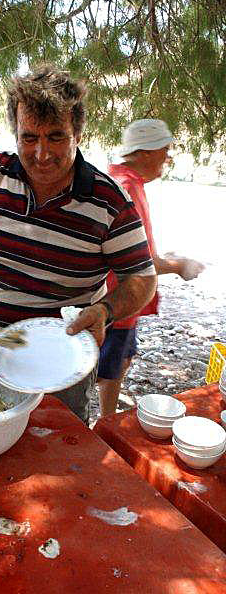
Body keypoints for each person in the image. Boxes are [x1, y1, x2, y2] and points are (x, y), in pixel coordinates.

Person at [0, 65, 157, 422]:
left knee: (59, 453)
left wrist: (106, 311)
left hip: (65, 366)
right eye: (29, 138)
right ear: (15, 133)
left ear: (77, 133)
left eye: (56, 137)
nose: (42, 153)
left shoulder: (110, 202)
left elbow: (142, 278)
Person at [97, 119, 205, 416]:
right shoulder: (127, 187)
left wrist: (166, 257)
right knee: (109, 367)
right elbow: (141, 263)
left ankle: (106, 420)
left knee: (120, 361)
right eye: (165, 150)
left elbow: (135, 248)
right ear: (145, 152)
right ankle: (106, 426)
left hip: (124, 301)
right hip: (118, 299)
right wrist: (181, 265)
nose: (168, 158)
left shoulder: (125, 179)